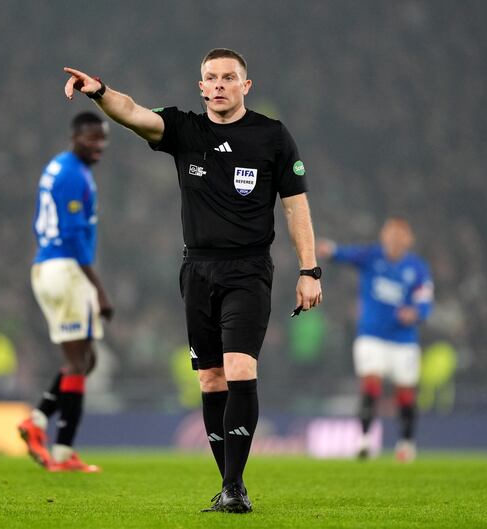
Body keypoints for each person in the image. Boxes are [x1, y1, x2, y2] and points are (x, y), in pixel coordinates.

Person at [63, 48, 322, 512]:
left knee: (241, 367)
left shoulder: (272, 136)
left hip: (249, 269)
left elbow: (295, 204)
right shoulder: (184, 129)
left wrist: (309, 269)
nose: (219, 84)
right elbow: (132, 113)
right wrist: (98, 91)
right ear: (201, 86)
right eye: (211, 77)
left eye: (229, 77)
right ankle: (228, 485)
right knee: (209, 380)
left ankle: (236, 487)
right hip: (198, 270)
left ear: (246, 85)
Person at [18, 111, 113, 473]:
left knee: (86, 360)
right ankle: (61, 452)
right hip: (65, 268)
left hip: (50, 265)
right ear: (75, 136)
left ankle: (39, 421)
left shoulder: (60, 166)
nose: (99, 146)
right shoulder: (74, 175)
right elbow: (73, 237)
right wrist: (99, 288)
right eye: (92, 138)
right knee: (78, 361)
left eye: (102, 139)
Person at [317, 217, 433, 462]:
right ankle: (365, 440)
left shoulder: (418, 268)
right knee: (371, 384)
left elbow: (425, 301)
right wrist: (330, 250)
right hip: (371, 336)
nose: (394, 239)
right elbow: (345, 254)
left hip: (404, 340)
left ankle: (406, 443)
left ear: (408, 240)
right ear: (383, 236)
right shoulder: (371, 256)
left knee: (405, 394)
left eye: (400, 235)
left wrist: (416, 313)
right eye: (390, 234)